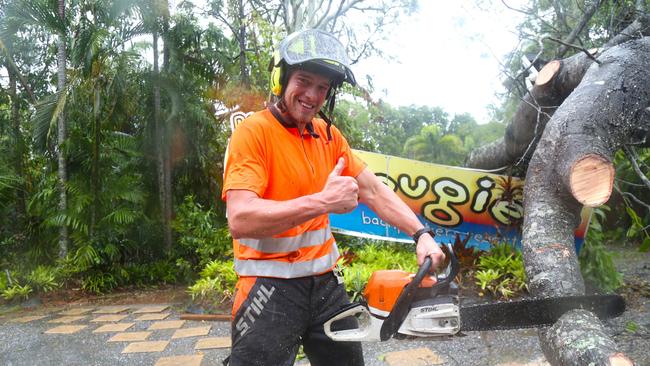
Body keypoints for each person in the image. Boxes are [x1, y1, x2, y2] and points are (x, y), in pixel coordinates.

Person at [221, 29, 445, 366]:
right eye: (304, 80)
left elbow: (373, 190)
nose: (312, 95)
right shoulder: (254, 132)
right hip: (269, 288)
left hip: (326, 287)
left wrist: (422, 234)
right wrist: (322, 202)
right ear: (281, 79)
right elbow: (240, 219)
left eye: (322, 88)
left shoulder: (328, 135)